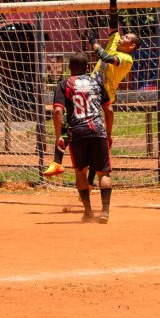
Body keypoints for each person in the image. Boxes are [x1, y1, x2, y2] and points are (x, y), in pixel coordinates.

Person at [43, 0, 140, 178]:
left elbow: (106, 57)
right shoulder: (114, 40)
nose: (122, 37)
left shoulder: (127, 59)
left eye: (126, 37)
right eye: (123, 35)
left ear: (132, 46)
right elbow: (113, 23)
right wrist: (113, 3)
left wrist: (93, 42)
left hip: (102, 94)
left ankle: (90, 181)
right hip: (87, 87)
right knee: (68, 120)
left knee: (96, 133)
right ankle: (57, 162)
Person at [53, 52, 115, 223]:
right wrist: (108, 133)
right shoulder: (97, 83)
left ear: (69, 67)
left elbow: (58, 111)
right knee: (104, 172)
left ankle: (88, 212)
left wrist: (59, 136)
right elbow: (109, 110)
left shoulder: (64, 84)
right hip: (98, 131)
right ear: (87, 67)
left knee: (80, 172)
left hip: (77, 132)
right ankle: (105, 211)